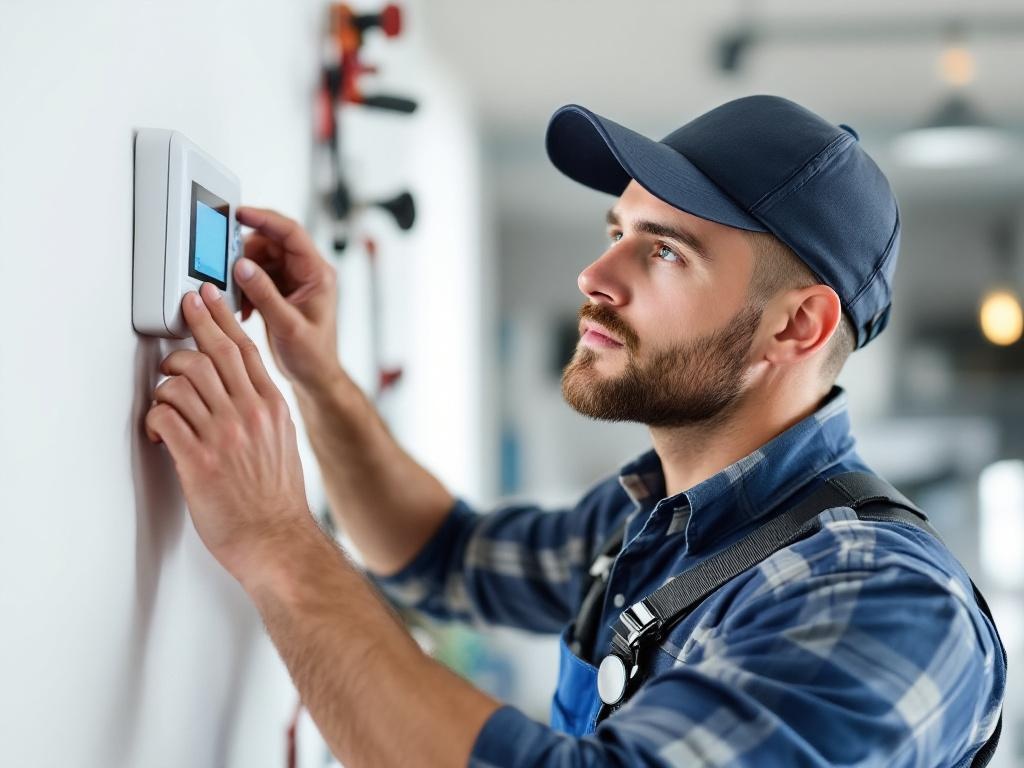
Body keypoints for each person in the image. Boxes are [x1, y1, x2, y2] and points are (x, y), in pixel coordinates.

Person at [144, 95, 1005, 767]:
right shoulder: (655, 519)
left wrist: (276, 540)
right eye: (616, 232)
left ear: (796, 329)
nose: (595, 275)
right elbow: (445, 555)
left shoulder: (878, 600)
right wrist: (319, 377)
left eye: (664, 250)